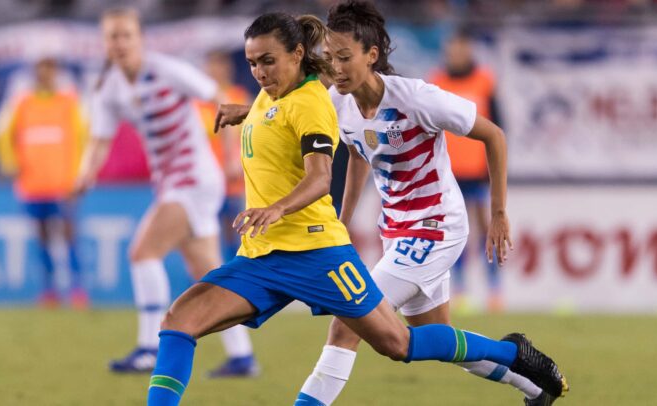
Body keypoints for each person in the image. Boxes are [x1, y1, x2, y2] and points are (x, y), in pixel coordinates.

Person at [146, 12, 567, 406]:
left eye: (345, 57)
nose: (338, 66)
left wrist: (497, 213)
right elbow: (354, 147)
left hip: (437, 226)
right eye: (331, 57)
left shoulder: (417, 98)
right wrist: (251, 113)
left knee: (351, 330)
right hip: (392, 229)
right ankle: (527, 375)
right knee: (425, 339)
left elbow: (493, 134)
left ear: (372, 55)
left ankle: (512, 354)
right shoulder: (337, 102)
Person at [77, 7, 258, 375]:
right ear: (105, 43)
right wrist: (84, 174)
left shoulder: (165, 69)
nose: (120, 43)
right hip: (173, 184)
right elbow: (99, 139)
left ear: (139, 38)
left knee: (143, 252)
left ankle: (148, 347)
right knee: (208, 273)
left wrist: (231, 154)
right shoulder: (110, 88)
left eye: (126, 34)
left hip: (193, 179)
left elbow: (221, 99)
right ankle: (242, 356)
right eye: (113, 36)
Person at [0, 57, 88, 309]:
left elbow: (84, 137)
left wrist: (79, 174)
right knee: (43, 237)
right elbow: (2, 134)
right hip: (34, 183)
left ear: (56, 73)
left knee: (68, 235)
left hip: (63, 183)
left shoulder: (69, 102)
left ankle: (77, 289)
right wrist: (11, 164)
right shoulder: (22, 103)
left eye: (50, 71)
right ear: (35, 74)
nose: (45, 76)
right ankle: (50, 290)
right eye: (41, 71)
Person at [429, 30, 504, 312]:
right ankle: (457, 288)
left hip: (478, 170)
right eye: (452, 48)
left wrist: (493, 166)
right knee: (453, 232)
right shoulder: (437, 82)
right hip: (448, 171)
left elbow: (498, 126)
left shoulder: (484, 81)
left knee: (488, 228)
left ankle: (495, 288)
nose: (456, 53)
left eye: (461, 47)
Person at [194, 50, 250, 264]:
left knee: (234, 233)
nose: (215, 71)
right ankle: (207, 280)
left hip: (232, 180)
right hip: (206, 180)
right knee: (205, 234)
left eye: (219, 65)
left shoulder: (238, 97)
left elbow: (248, 135)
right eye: (212, 65)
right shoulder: (199, 102)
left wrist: (235, 161)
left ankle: (238, 275)